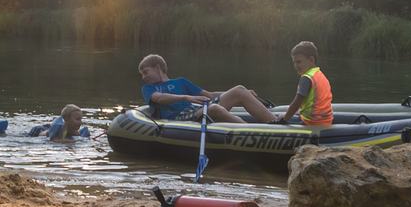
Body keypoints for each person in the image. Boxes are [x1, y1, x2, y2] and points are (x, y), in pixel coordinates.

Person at [137, 54, 276, 123]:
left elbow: (209, 95)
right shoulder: (148, 88)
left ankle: (275, 123)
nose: (143, 77)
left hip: (196, 111)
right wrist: (186, 97)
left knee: (239, 89)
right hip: (180, 118)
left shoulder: (181, 82)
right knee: (213, 109)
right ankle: (252, 131)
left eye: (145, 72)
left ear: (157, 68)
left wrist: (245, 93)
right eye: (142, 74)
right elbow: (159, 98)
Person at [272, 41, 334, 127]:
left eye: (299, 62)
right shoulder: (319, 74)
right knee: (291, 114)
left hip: (312, 123)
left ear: (311, 60)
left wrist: (284, 119)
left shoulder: (306, 78)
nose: (296, 65)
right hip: (326, 120)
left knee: (279, 118)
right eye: (294, 62)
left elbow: (297, 102)